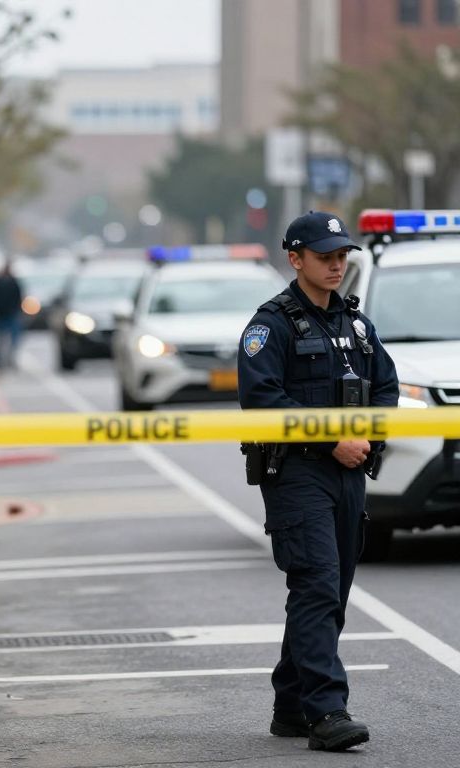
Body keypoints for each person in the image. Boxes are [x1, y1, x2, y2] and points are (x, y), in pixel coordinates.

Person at [237, 211, 398, 752]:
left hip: (350, 472)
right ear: (295, 258)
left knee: (332, 592)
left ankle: (291, 706)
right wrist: (333, 441)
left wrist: (367, 443)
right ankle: (328, 710)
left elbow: (386, 387)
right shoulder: (271, 324)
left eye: (341, 255)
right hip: (298, 473)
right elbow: (261, 398)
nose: (335, 264)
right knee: (317, 584)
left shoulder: (355, 324)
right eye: (324, 255)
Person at [0, 261, 24, 368]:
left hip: (1, 314)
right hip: (9, 314)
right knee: (10, 338)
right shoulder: (13, 282)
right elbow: (19, 298)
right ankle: (7, 358)